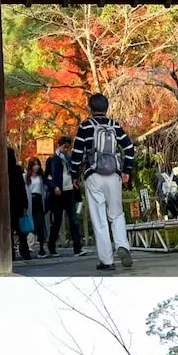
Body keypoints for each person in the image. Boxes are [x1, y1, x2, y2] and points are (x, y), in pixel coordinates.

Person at [70, 94, 136, 272]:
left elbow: (77, 154)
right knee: (117, 214)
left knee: (99, 218)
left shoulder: (85, 126)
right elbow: (129, 148)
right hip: (114, 175)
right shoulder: (114, 125)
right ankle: (123, 246)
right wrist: (126, 171)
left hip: (93, 175)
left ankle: (106, 261)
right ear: (107, 107)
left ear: (90, 107)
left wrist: (74, 176)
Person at [45, 136, 82, 257]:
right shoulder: (52, 160)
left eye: (68, 147)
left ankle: (78, 248)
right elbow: (46, 178)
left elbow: (75, 172)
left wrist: (76, 181)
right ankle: (51, 246)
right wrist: (54, 186)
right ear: (59, 146)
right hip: (58, 194)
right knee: (57, 221)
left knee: (74, 220)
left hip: (69, 192)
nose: (66, 150)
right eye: (64, 147)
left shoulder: (71, 159)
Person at [7, 147, 31, 261]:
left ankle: (11, 254)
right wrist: (25, 203)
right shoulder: (17, 170)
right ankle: (25, 252)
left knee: (9, 231)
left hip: (8, 203)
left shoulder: (2, 170)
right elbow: (22, 188)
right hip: (18, 204)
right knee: (21, 231)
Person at [24, 157, 49, 257]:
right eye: (34, 165)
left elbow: (44, 189)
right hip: (30, 200)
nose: (36, 167)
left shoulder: (41, 177)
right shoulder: (25, 176)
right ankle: (27, 245)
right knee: (29, 223)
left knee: (40, 224)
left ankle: (42, 248)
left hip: (39, 200)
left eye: (37, 164)